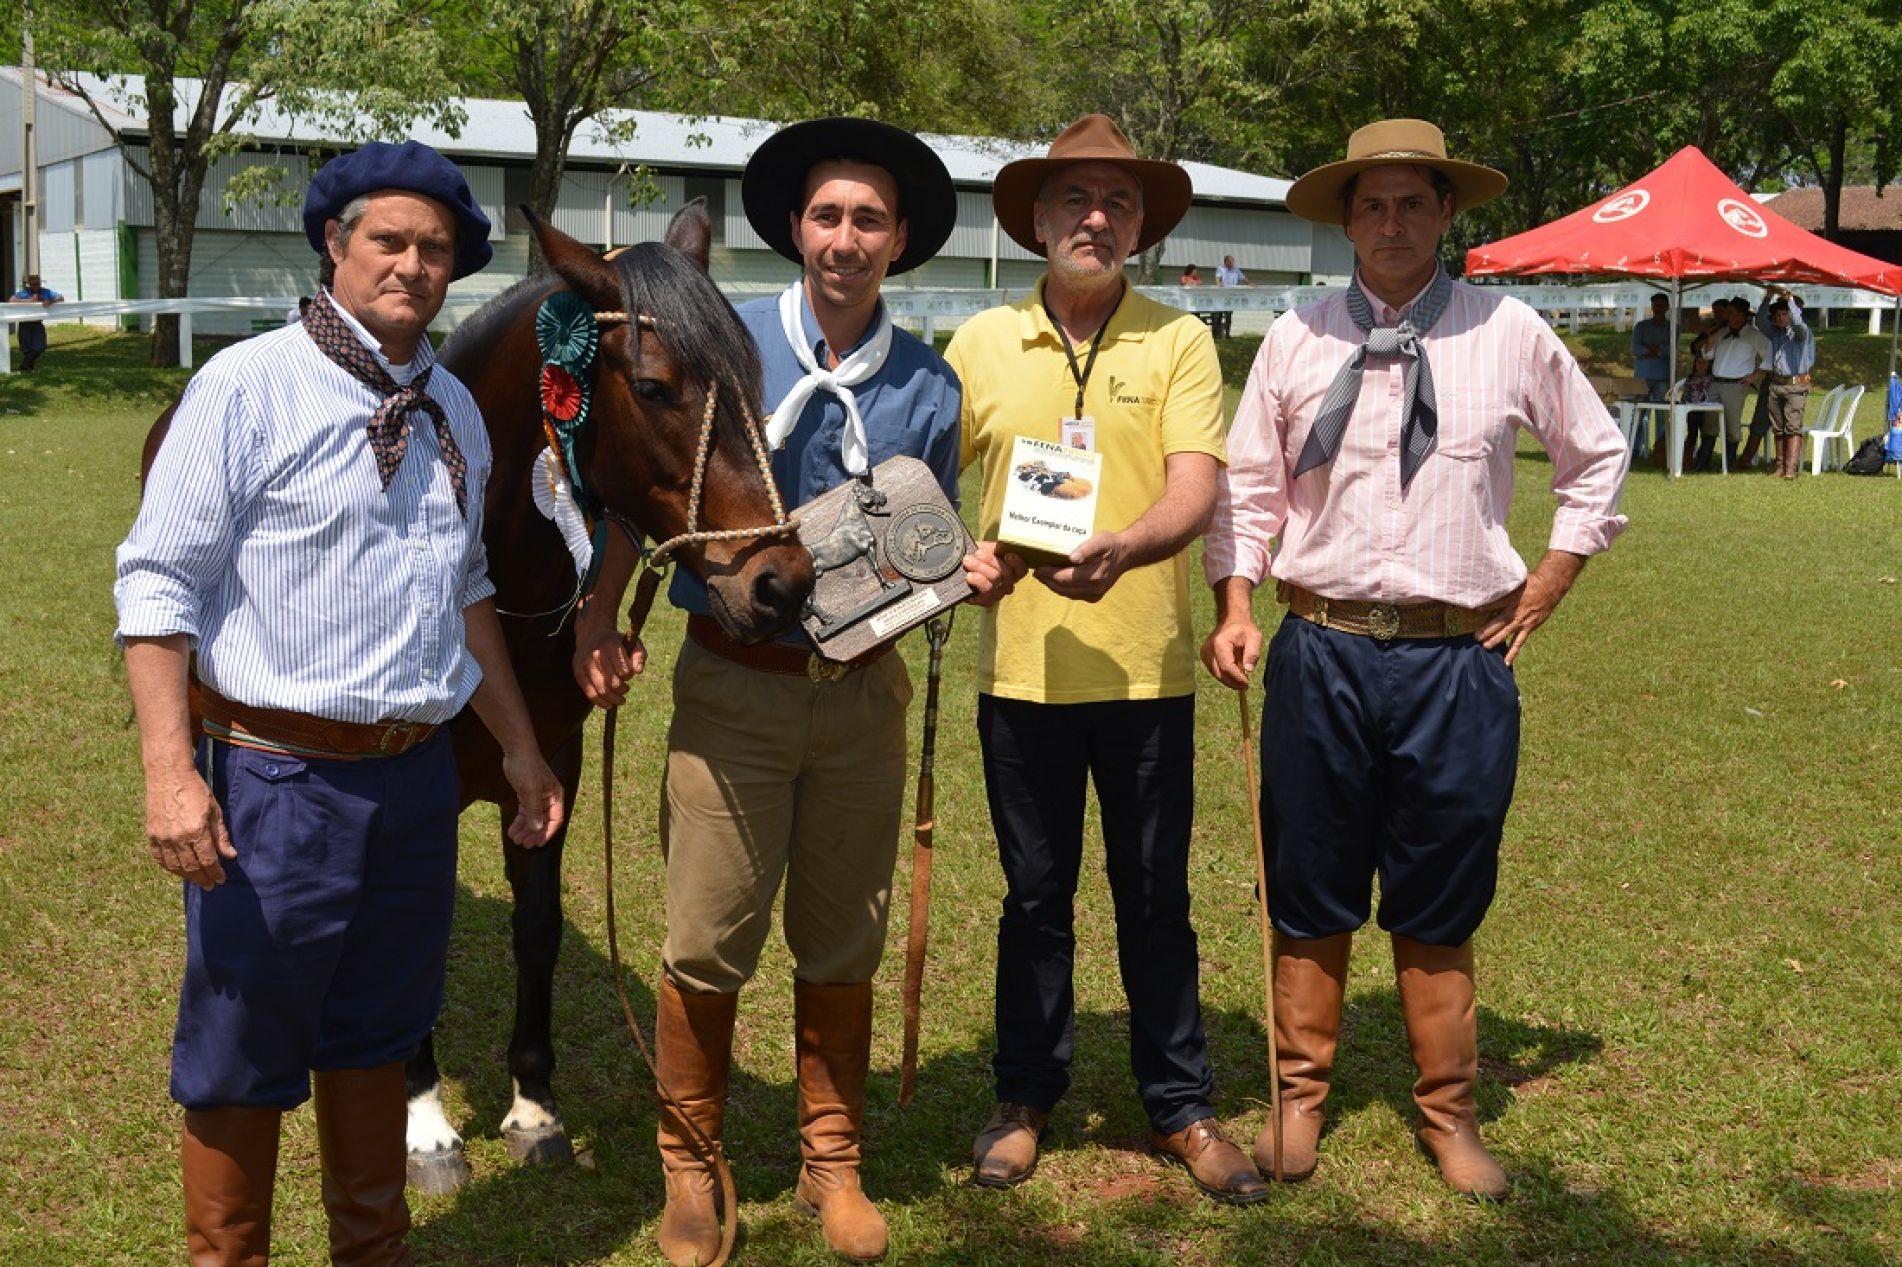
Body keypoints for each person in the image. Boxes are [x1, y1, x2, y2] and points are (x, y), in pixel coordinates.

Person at [570, 116, 1018, 1266]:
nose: (845, 239)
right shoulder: (726, 344)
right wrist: (598, 611)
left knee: (842, 935)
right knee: (709, 936)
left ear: (900, 239)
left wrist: (962, 572)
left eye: (870, 219)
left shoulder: (928, 381)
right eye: (827, 216)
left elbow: (925, 534)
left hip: (864, 699)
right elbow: (647, 482)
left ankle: (833, 1161)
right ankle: (690, 1163)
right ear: (796, 228)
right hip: (735, 692)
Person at [114, 139, 565, 1266]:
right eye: (389, 241)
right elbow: (157, 581)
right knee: (241, 1043)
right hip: (274, 778)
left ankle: (372, 1248)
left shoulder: (456, 409)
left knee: (379, 1029)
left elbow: (469, 590)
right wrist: (172, 774)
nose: (412, 264)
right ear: (335, 245)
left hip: (413, 780)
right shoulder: (247, 386)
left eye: (435, 248)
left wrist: (518, 748)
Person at [1202, 118, 1629, 1201]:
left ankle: (1449, 1113)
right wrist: (1237, 601)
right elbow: (1248, 488)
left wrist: (1554, 575)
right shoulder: (1296, 336)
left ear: (1446, 214)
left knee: (1442, 887)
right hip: (1320, 648)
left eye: (1411, 203)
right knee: (1309, 882)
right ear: (1346, 220)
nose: (1390, 222)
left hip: (1457, 662)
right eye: (1371, 204)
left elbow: (1599, 456)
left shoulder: (1510, 330)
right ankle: (1299, 1099)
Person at [948, 114, 1265, 1206]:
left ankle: (1179, 1104)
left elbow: (1194, 484)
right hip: (1022, 678)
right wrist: (963, 564)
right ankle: (1024, 1097)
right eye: (1076, 201)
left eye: (1118, 203)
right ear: (1036, 219)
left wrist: (1129, 544)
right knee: (1033, 897)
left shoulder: (1177, 338)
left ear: (1141, 224)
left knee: (1154, 895)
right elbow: (923, 496)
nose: (1096, 218)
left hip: (1147, 676)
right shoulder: (978, 342)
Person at [1699, 294, 1771, 471]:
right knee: (1710, 423)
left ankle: (1729, 463)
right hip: (1716, 383)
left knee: (1732, 425)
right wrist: (1710, 340)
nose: (1726, 316)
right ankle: (1702, 462)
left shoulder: (1754, 335)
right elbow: (1707, 355)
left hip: (1735, 385)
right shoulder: (1723, 332)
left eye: (1730, 312)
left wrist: (1755, 376)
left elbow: (1771, 356)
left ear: (1741, 315)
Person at [1755, 287, 1815, 479]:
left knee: (1793, 427)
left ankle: (1791, 468)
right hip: (1777, 384)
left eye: (1785, 314)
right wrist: (1768, 296)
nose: (1781, 318)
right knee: (1778, 427)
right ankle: (1780, 466)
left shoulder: (1801, 331)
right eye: (1778, 314)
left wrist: (1789, 299)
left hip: (1796, 386)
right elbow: (1759, 321)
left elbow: (1797, 322)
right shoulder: (1775, 332)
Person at [8, 273, 64, 371]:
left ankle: (23, 366)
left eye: (37, 284)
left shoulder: (46, 292)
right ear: (29, 284)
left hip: (37, 323)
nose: (35, 286)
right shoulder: (24, 293)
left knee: (40, 346)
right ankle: (28, 367)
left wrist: (50, 301)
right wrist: (28, 301)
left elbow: (60, 297)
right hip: (25, 323)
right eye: (33, 284)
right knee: (26, 349)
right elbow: (11, 300)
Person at [1631, 293, 1672, 403]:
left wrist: (1647, 349)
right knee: (1639, 411)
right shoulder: (1641, 326)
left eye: (1662, 306)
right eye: (1656, 306)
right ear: (1652, 307)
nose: (1659, 309)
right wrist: (1657, 350)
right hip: (1642, 376)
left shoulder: (1673, 328)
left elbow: (1672, 350)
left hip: (1663, 376)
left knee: (1661, 414)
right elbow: (1635, 349)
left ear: (1667, 307)